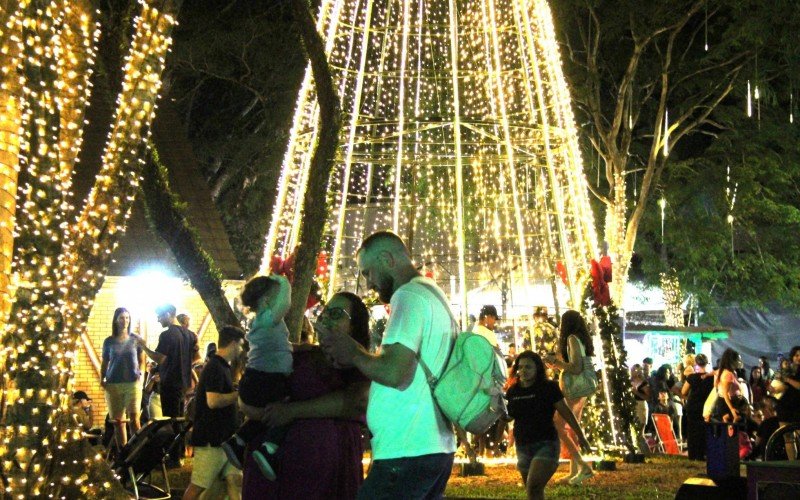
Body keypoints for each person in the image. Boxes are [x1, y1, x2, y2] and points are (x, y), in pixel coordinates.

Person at [320, 231, 456, 499]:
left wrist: (355, 353)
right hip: (430, 446)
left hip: (407, 450)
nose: (369, 283)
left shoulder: (408, 296)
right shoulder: (432, 294)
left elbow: (395, 373)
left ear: (386, 258)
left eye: (368, 272)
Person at [241, 292, 372, 499]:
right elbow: (250, 399)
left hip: (325, 476)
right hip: (272, 476)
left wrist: (292, 411)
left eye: (336, 313)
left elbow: (357, 401)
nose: (326, 318)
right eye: (324, 313)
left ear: (355, 325)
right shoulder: (299, 355)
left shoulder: (361, 364)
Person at [222, 274, 293, 480]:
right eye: (275, 296)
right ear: (266, 300)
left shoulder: (259, 323)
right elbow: (286, 303)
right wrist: (284, 282)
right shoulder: (268, 319)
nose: (279, 300)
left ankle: (238, 441)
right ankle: (269, 448)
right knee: (284, 410)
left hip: (254, 379)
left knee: (263, 415)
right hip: (268, 379)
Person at [506, 351, 591, 500]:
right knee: (533, 491)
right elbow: (508, 417)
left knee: (533, 486)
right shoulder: (513, 391)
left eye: (528, 367)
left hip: (546, 444)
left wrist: (581, 435)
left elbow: (566, 412)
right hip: (523, 446)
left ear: (537, 368)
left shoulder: (548, 387)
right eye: (520, 367)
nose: (523, 371)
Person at [183, 325, 245, 500]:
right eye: (240, 345)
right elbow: (213, 401)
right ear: (232, 343)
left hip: (225, 439)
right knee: (198, 486)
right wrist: (238, 395)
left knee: (235, 481)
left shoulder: (222, 367)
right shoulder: (215, 367)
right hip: (212, 439)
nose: (241, 350)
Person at [543, 310, 595, 485]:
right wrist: (558, 362)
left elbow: (575, 367)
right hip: (581, 389)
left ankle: (583, 465)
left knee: (558, 424)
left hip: (574, 389)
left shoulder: (571, 338)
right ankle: (575, 472)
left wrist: (557, 363)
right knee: (573, 427)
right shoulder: (580, 338)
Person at [138, 304, 199, 417]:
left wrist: (144, 347)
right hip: (184, 384)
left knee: (171, 419)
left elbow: (160, 358)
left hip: (170, 385)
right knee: (179, 418)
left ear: (167, 314)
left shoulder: (167, 335)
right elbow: (196, 357)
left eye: (159, 316)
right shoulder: (190, 335)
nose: (158, 320)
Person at [101, 307, 145, 447]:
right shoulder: (109, 341)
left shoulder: (135, 339)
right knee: (118, 422)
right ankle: (123, 454)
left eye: (127, 317)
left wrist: (142, 375)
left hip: (132, 383)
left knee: (134, 419)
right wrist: (102, 378)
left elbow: (142, 360)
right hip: (113, 384)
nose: (124, 321)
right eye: (121, 317)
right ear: (115, 320)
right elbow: (105, 361)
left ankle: (137, 451)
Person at [681, 353, 714, 460]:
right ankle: (702, 454)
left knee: (692, 430)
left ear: (696, 363)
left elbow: (683, 391)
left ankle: (693, 454)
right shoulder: (711, 378)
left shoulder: (692, 377)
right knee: (703, 430)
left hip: (692, 406)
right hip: (705, 407)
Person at [774, 346, 800, 459]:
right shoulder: (787, 370)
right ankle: (792, 464)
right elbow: (781, 388)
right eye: (796, 355)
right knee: (788, 438)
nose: (798, 358)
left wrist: (788, 380)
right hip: (784, 406)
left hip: (798, 406)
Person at [713, 348, 747, 422]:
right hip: (728, 405)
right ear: (732, 361)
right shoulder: (728, 374)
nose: (740, 362)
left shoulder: (731, 372)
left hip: (733, 403)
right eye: (738, 360)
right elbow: (725, 394)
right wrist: (732, 409)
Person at [630, 364, 650, 439]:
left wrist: (636, 392)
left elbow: (648, 397)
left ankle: (643, 448)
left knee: (640, 432)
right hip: (632, 406)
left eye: (634, 370)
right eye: (631, 370)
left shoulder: (643, 383)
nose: (632, 372)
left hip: (640, 405)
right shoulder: (629, 381)